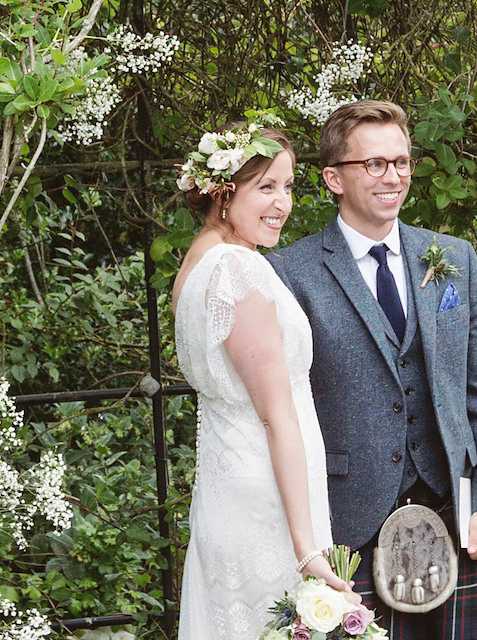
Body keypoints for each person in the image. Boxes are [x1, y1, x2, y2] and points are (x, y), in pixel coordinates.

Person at [268, 100, 477, 639]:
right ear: (333, 177)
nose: (393, 176)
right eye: (374, 164)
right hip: (348, 520)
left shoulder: (452, 258)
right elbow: (281, 407)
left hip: (449, 512)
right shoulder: (291, 272)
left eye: (401, 162)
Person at [171, 118, 354, 639]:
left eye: (289, 187)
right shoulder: (237, 270)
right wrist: (307, 549)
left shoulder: (199, 263)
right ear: (223, 192)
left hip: (231, 492)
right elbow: (277, 414)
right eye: (265, 187)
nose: (282, 204)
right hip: (269, 509)